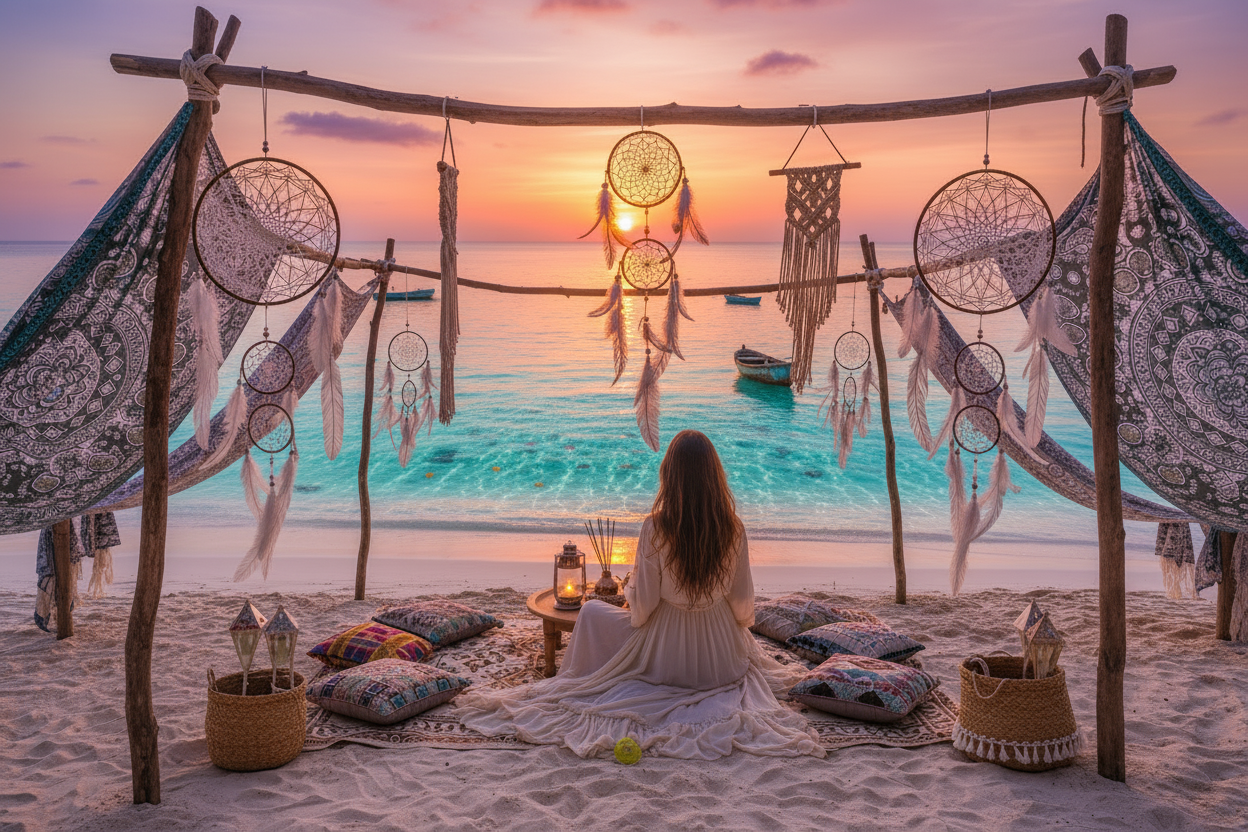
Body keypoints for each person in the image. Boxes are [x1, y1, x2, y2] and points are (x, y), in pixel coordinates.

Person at [456, 430, 823, 760]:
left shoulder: (656, 527)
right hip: (721, 660)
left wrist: (630, 591)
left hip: (665, 658)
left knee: (591, 613)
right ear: (715, 475)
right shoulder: (732, 527)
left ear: (670, 475)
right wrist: (738, 632)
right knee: (612, 616)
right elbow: (742, 600)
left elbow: (643, 608)